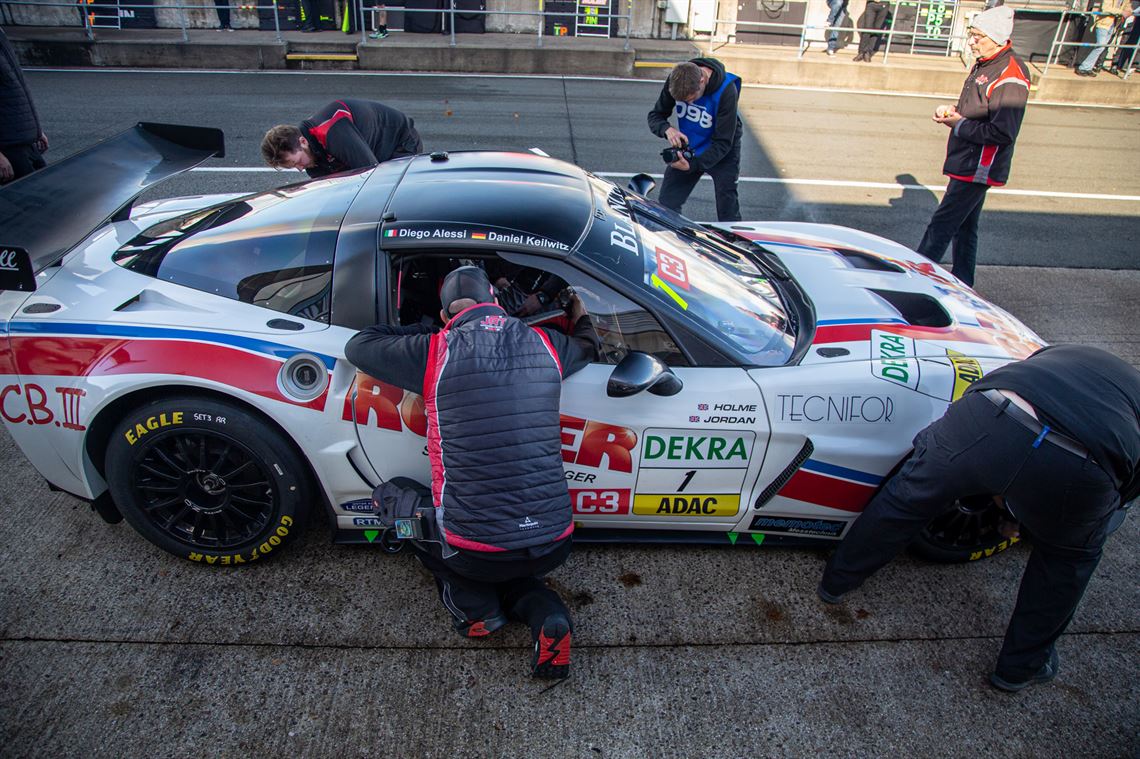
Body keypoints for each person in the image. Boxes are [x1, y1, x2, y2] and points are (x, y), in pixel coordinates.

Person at [818, 344, 1140, 692]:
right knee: (1067, 561)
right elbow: (1122, 494)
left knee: (907, 498)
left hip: (988, 412)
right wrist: (1034, 516)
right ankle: (1019, 669)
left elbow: (1025, 400)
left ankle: (837, 581)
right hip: (1080, 462)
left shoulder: (1078, 352)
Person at [344, 266, 599, 679]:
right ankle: (547, 615)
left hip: (476, 551)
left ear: (447, 317)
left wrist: (419, 328)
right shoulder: (547, 343)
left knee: (396, 496)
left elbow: (361, 345)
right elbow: (588, 344)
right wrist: (580, 313)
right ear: (496, 304)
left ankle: (476, 611)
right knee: (509, 558)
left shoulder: (433, 350)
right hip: (554, 543)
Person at [914, 5, 1029, 287]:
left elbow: (1003, 132)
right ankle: (964, 282)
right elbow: (979, 110)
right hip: (970, 160)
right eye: (971, 34)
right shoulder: (988, 63)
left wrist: (958, 124)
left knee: (941, 226)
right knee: (965, 228)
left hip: (979, 164)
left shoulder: (1009, 74)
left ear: (997, 37)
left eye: (978, 36)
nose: (972, 41)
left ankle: (912, 283)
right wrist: (953, 110)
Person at [647, 58, 743, 222]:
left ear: (702, 80)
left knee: (727, 205)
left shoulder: (727, 90)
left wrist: (693, 165)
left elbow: (723, 142)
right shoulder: (676, 80)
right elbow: (656, 115)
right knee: (667, 203)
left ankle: (734, 242)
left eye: (692, 98)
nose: (690, 103)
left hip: (721, 149)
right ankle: (672, 239)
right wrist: (667, 129)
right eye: (684, 101)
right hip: (690, 145)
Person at [260, 98, 422, 177]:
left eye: (297, 162)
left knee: (390, 190)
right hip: (373, 149)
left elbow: (370, 172)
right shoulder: (310, 155)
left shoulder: (331, 131)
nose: (301, 168)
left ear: (303, 142)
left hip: (400, 141)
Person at [0, 27, 49, 186]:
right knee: (31, 204)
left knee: (50, 191)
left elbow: (16, 88)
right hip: (9, 147)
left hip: (24, 139)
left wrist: (36, 129)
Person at [1077, 0, 1133, 76]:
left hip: (1113, 25)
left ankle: (1088, 68)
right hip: (1103, 24)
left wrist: (1128, 11)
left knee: (1101, 47)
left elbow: (1128, 8)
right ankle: (1083, 67)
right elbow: (1105, 8)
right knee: (1100, 46)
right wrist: (1121, 12)